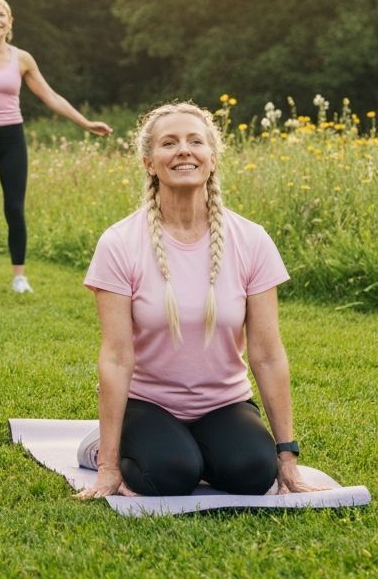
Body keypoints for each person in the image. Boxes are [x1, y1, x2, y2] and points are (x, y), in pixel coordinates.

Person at [76, 102, 322, 499]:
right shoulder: (119, 243)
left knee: (253, 473)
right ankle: (107, 443)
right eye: (168, 143)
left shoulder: (252, 240)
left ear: (212, 158)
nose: (184, 151)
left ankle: (188, 449)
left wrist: (287, 456)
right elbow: (117, 357)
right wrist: (107, 466)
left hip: (223, 403)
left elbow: (268, 354)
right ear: (149, 162)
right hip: (149, 402)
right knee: (169, 476)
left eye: (195, 141)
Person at [0, 0, 112, 294]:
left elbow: (51, 97)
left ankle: (19, 276)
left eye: (1, 15)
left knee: (15, 208)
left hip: (12, 139)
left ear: (10, 22)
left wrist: (86, 123)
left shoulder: (22, 59)